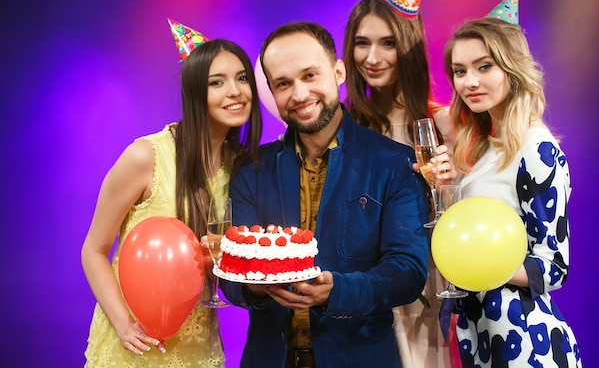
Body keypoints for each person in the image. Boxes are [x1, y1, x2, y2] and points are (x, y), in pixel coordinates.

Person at [221, 21, 430, 368]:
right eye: (284, 84)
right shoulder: (251, 171)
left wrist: (338, 291)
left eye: (310, 76)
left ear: (338, 72)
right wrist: (256, 286)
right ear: (272, 92)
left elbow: (407, 272)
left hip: (360, 357)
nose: (300, 94)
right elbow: (231, 274)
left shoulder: (393, 163)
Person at [81, 19, 262, 368]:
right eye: (217, 82)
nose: (235, 91)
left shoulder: (240, 167)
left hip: (197, 347)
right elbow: (93, 250)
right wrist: (123, 325)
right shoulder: (145, 156)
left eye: (242, 78)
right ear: (195, 92)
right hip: (133, 345)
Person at [445, 7, 582, 366]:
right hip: (481, 332)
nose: (469, 82)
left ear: (512, 68)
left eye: (484, 66)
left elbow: (553, 266)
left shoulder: (537, 150)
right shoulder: (485, 146)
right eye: (460, 71)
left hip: (524, 339)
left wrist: (479, 266)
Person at [342, 0, 459, 368]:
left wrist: (448, 186)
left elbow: (472, 223)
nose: (372, 57)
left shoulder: (443, 125)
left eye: (387, 43)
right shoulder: (345, 125)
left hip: (421, 289)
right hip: (353, 292)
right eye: (362, 42)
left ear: (407, 46)